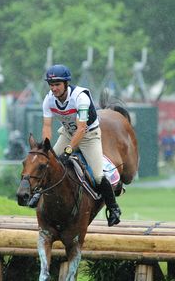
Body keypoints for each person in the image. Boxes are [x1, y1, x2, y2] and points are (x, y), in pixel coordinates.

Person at [41, 64, 121, 226]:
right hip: (68, 134)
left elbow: (82, 128)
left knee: (98, 176)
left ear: (66, 84)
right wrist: (46, 149)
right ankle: (38, 195)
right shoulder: (48, 99)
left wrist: (68, 150)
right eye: (51, 85)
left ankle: (113, 208)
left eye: (57, 84)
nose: (54, 88)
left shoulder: (80, 97)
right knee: (47, 163)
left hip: (89, 137)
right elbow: (47, 126)